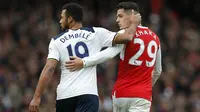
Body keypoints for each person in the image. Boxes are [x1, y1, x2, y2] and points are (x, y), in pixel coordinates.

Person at [28, 2, 141, 112]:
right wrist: (134, 23)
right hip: (87, 94)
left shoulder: (56, 40)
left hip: (65, 96)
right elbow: (128, 37)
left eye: (62, 17)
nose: (60, 21)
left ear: (70, 19)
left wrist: (37, 97)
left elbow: (49, 68)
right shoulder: (95, 33)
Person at [65, 2, 162, 112]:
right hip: (142, 96)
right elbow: (158, 70)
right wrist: (144, 86)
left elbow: (109, 53)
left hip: (121, 94)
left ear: (132, 15)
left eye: (120, 16)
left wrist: (84, 62)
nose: (117, 20)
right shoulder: (155, 38)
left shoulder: (124, 34)